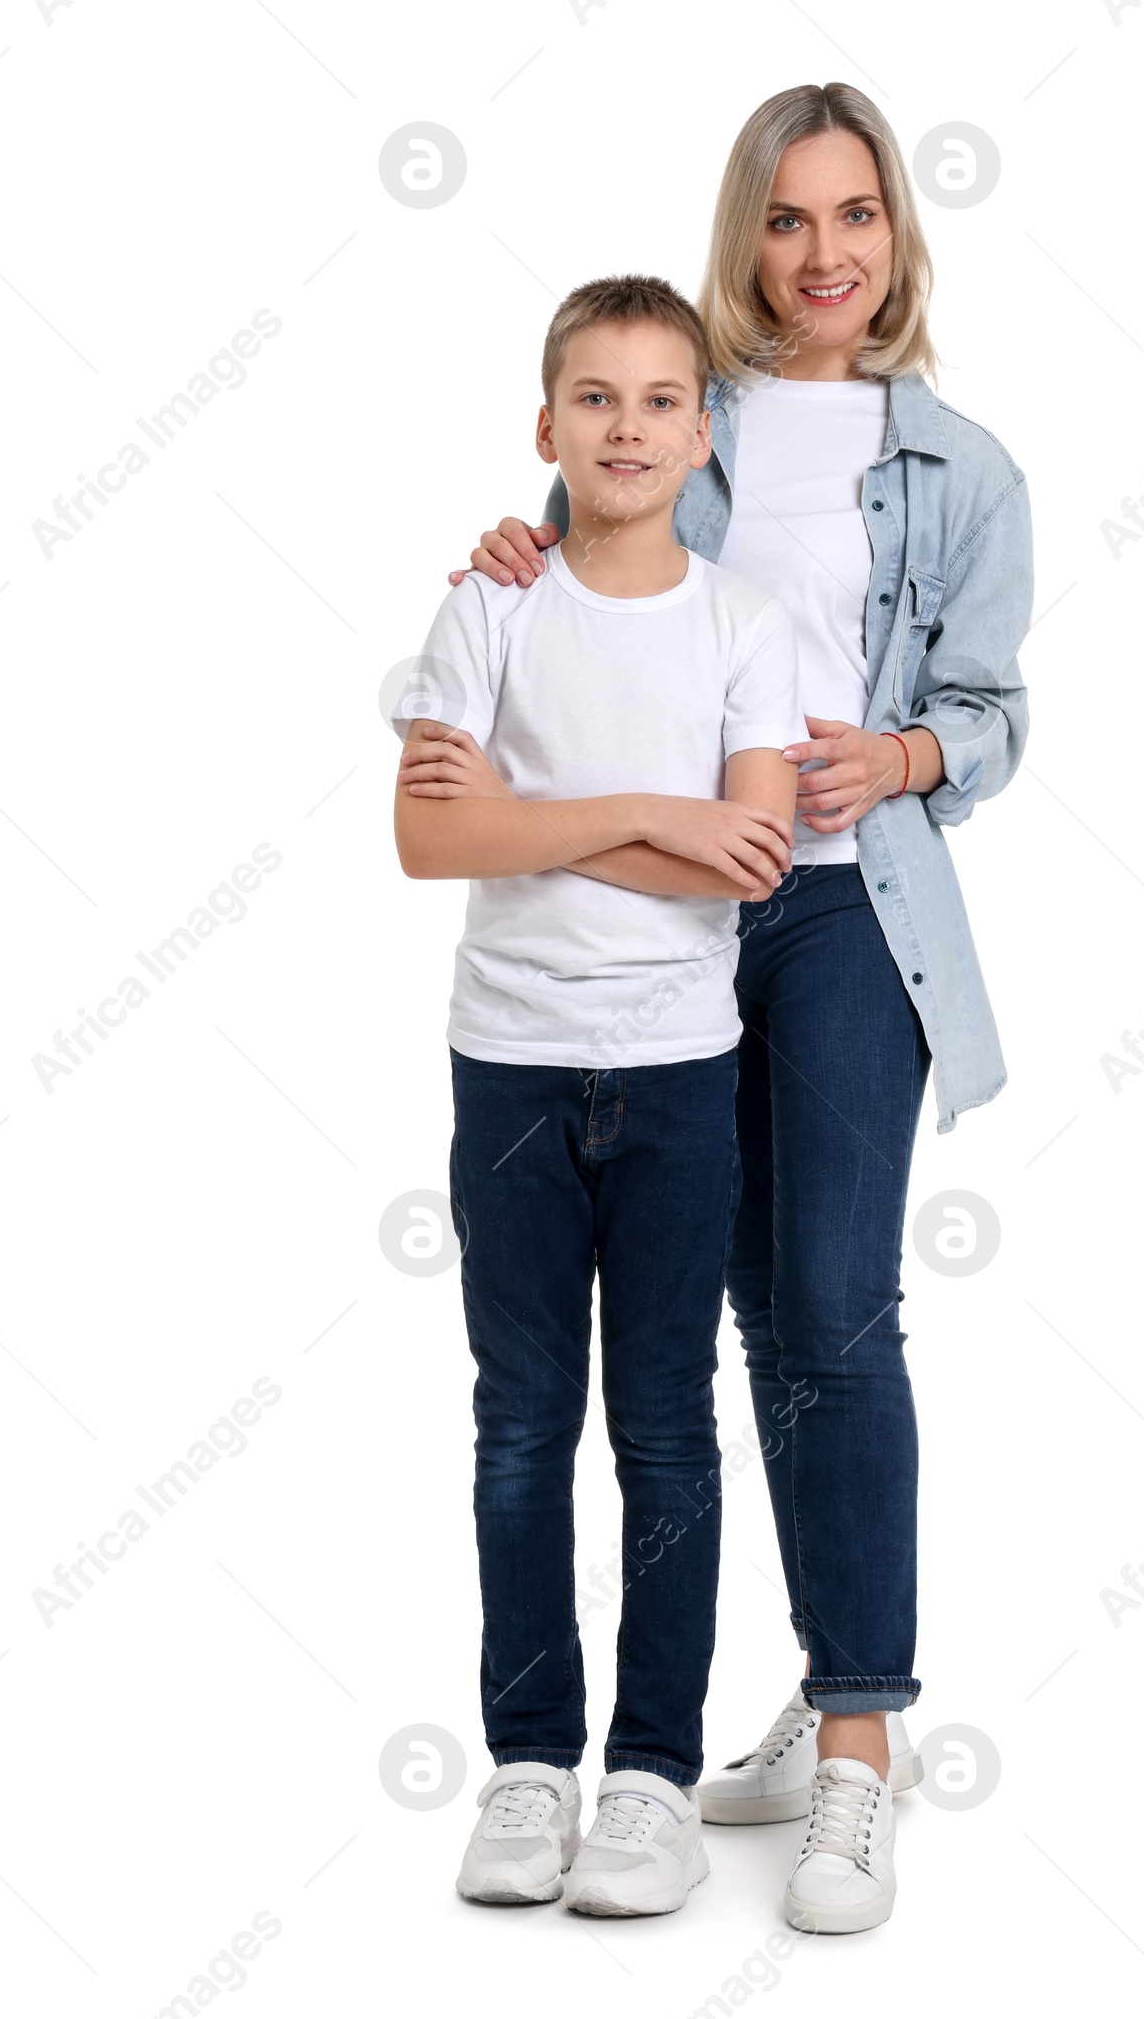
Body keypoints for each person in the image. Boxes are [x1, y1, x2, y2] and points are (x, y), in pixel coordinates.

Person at [447, 83, 1033, 1934]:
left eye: (856, 215)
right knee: (721, 1322)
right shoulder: (676, 417)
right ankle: (771, 1701)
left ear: (899, 237)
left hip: (856, 915)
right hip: (679, 934)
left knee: (839, 1314)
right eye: (788, 220)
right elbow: (570, 607)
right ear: (745, 240)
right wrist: (505, 557)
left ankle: (861, 1745)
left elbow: (1001, 714)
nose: (826, 253)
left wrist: (916, 744)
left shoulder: (966, 470)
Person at [392, 273, 803, 1917]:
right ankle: (529, 1763)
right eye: (595, 398)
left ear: (701, 435)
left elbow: (753, 857)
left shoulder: (740, 626)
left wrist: (538, 810)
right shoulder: (487, 607)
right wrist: (656, 812)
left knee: (663, 1427)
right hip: (508, 1062)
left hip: (678, 1073)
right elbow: (432, 841)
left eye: (658, 401)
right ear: (545, 423)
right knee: (518, 1422)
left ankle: (647, 1777)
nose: (625, 428)